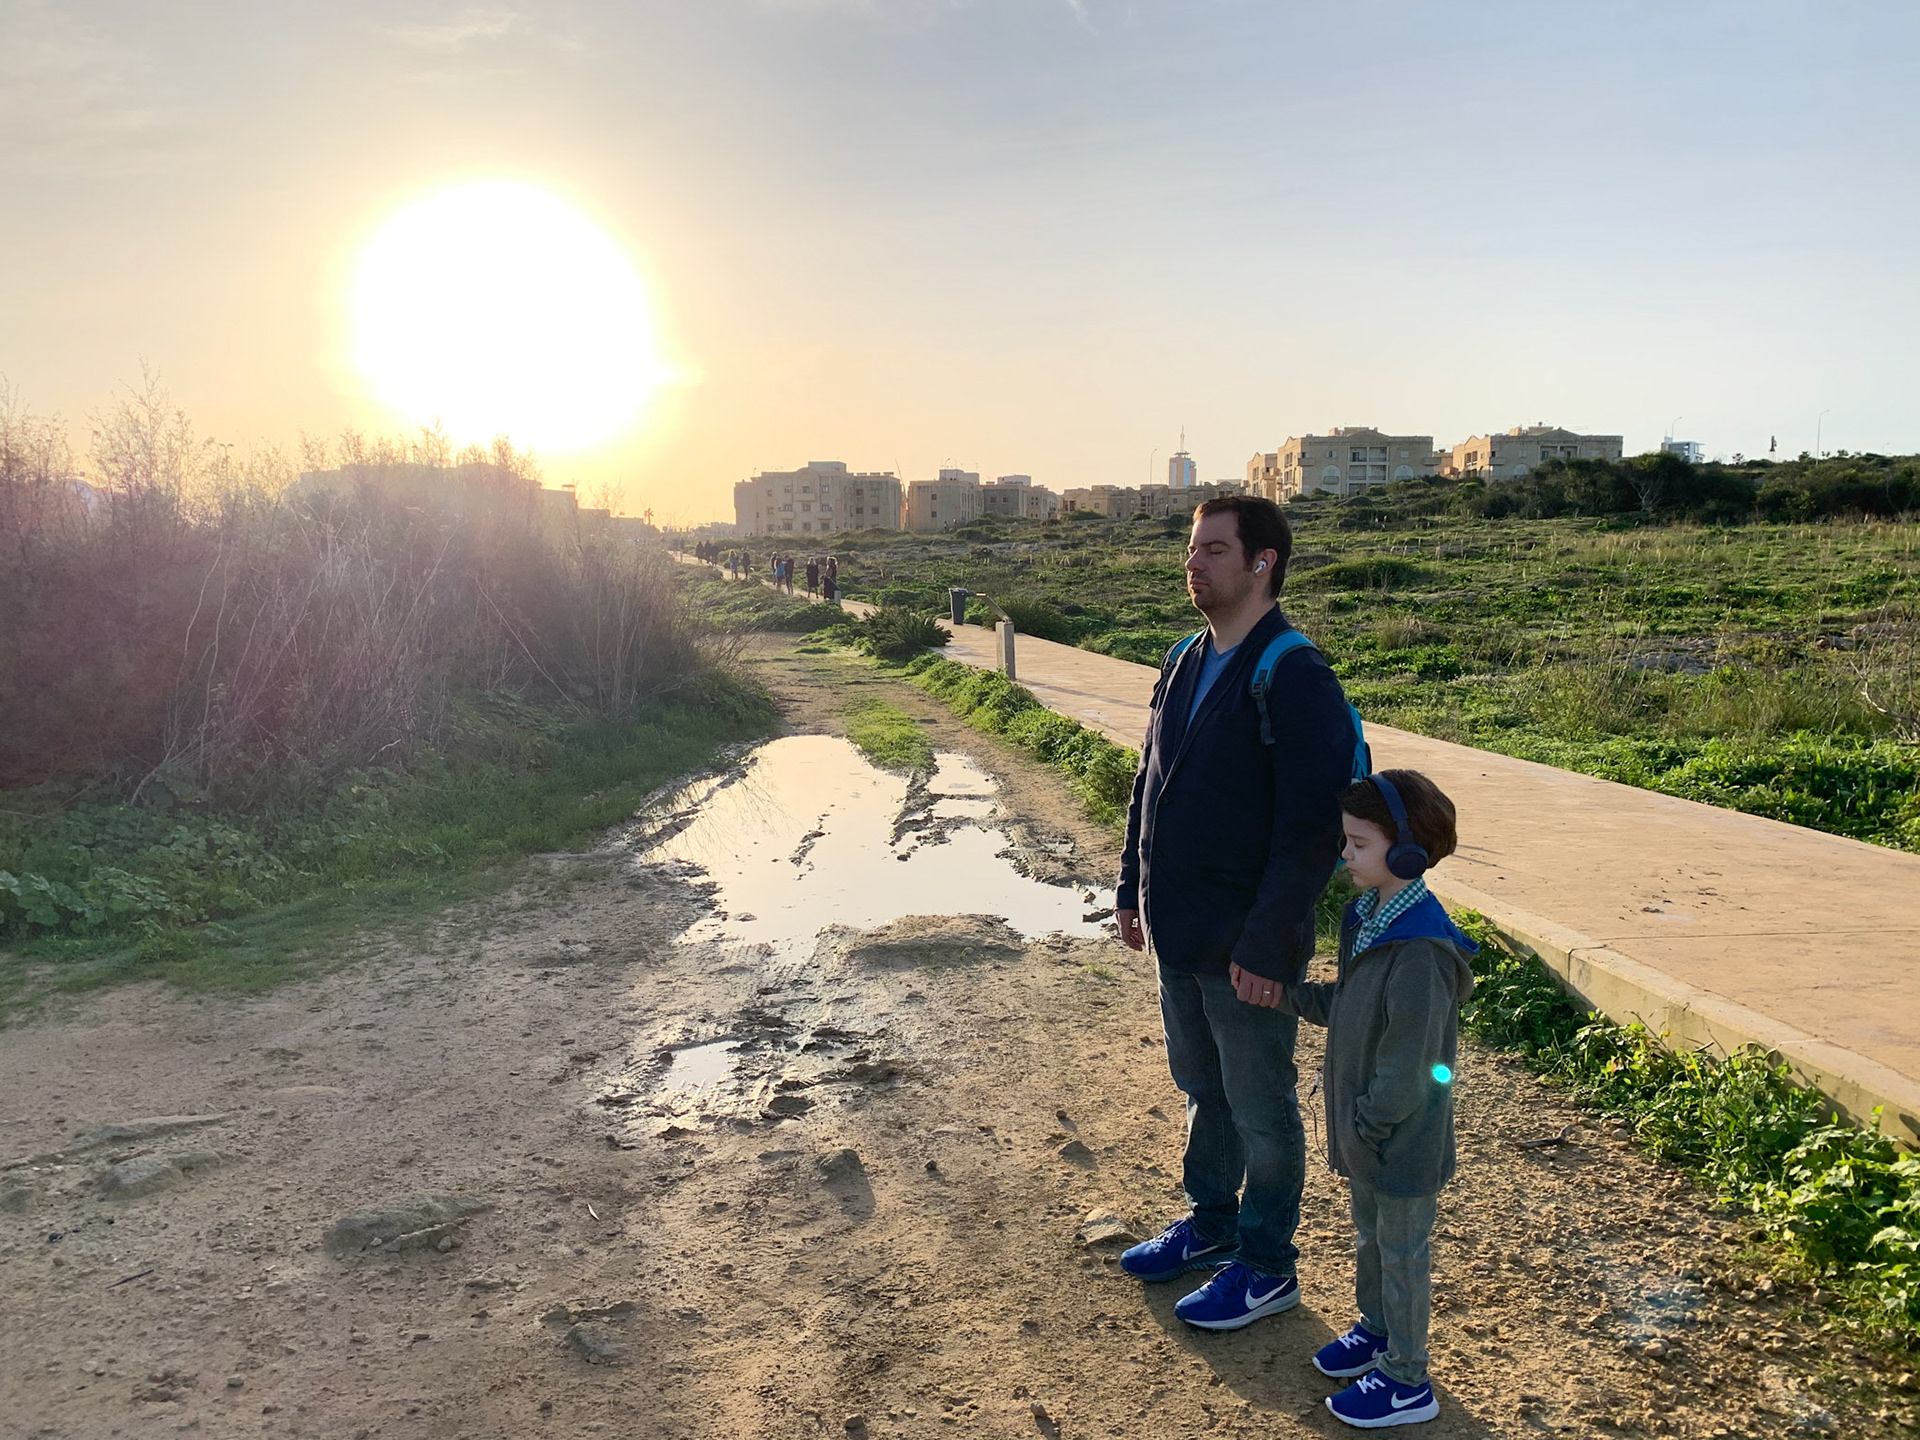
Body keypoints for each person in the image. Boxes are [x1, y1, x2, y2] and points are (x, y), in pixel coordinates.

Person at [1115, 495, 1357, 1330]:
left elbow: (1312, 829)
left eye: (1214, 549)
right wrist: (1130, 885)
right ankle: (1212, 1223)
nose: (1194, 563)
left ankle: (1266, 1264)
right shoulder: (1185, 657)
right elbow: (1150, 782)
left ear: (1263, 563)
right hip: (1178, 925)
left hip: (1249, 942)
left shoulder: (1294, 675)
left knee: (1260, 1104)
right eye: (1192, 548)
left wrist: (1266, 941)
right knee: (1202, 1088)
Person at [1272, 769, 1475, 1429]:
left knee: (1404, 1254)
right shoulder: (1368, 918)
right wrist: (1287, 996)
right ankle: (1378, 1330)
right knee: (1372, 1238)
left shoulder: (1420, 954)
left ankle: (1408, 1379)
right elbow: (1351, 1003)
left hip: (1400, 1140)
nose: (1345, 855)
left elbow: (1410, 1065)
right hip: (1370, 1138)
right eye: (1345, 841)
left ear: (1408, 852)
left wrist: (1368, 1122)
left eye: (1358, 844)